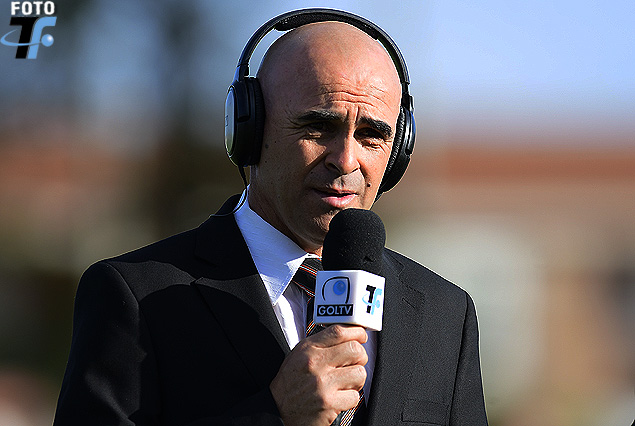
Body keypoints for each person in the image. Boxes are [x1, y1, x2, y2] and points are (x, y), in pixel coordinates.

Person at [53, 9, 488, 426]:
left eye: (371, 135)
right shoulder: (133, 295)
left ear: (399, 151)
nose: (345, 160)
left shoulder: (445, 315)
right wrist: (275, 415)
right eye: (318, 127)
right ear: (250, 130)